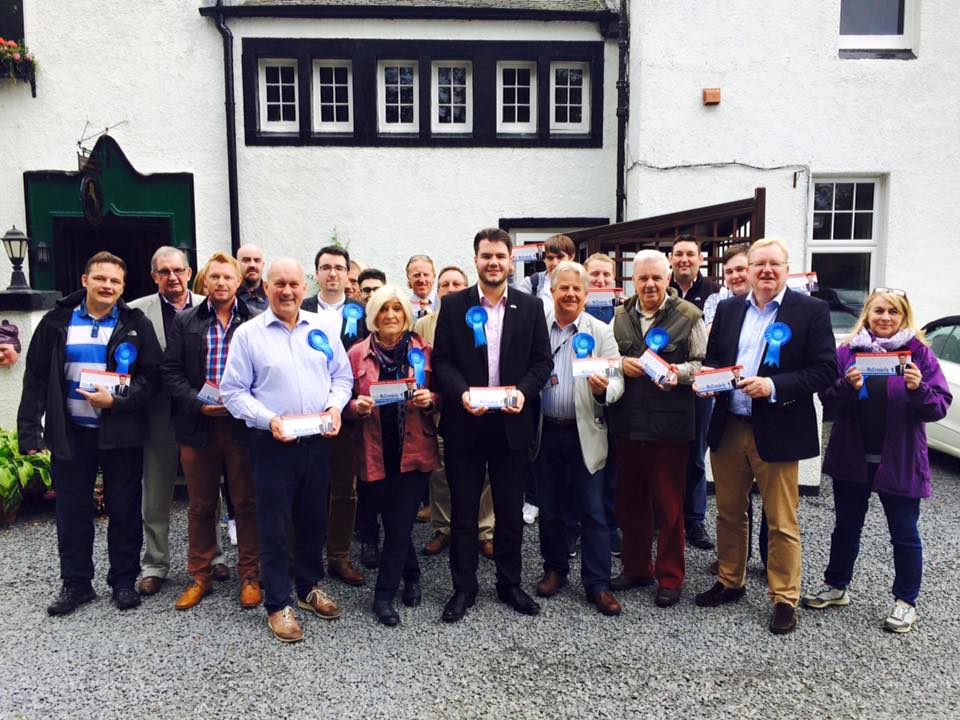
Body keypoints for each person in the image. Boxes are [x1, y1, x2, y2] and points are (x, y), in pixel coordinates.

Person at [694, 237, 836, 635]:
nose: (766, 271)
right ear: (749, 269)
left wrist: (773, 386)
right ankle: (729, 580)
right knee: (728, 512)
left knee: (781, 520)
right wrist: (709, 378)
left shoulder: (810, 310)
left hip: (778, 428)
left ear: (786, 268)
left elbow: (825, 370)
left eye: (775, 264)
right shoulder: (728, 308)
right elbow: (715, 360)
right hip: (730, 426)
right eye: (760, 264)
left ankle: (784, 598)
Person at [17, 251, 162, 614]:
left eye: (115, 281)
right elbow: (35, 379)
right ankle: (76, 583)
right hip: (72, 432)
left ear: (123, 287)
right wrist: (31, 433)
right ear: (85, 281)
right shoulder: (56, 321)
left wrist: (117, 401)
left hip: (120, 432)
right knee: (71, 511)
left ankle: (124, 581)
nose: (108, 286)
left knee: (125, 509)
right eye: (101, 279)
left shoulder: (135, 323)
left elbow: (152, 379)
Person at [802, 289, 951, 633]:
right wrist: (846, 386)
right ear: (867, 315)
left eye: (893, 313)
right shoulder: (849, 352)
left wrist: (918, 388)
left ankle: (905, 602)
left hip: (898, 460)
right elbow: (828, 402)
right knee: (845, 528)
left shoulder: (919, 354)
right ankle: (837, 586)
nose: (885, 318)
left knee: (905, 534)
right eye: (878, 311)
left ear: (903, 317)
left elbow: (939, 406)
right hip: (853, 458)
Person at [220, 258, 353, 643]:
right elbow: (233, 391)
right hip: (272, 444)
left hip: (318, 440)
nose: (288, 291)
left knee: (314, 519)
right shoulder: (249, 335)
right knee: (275, 526)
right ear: (266, 287)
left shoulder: (324, 327)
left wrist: (334, 407)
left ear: (303, 286)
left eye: (294, 284)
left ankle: (309, 586)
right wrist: (267, 419)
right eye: (279, 284)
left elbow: (341, 377)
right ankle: (278, 603)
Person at [432, 227, 553, 622]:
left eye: (500, 256)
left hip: (512, 425)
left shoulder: (529, 307)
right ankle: (464, 588)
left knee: (508, 510)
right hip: (466, 423)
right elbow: (443, 364)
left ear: (510, 259)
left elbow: (541, 363)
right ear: (476, 260)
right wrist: (462, 393)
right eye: (486, 256)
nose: (494, 263)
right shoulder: (453, 307)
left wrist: (523, 391)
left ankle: (509, 583)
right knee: (464, 512)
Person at [160, 252, 262, 611]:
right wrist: (194, 401)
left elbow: (265, 374)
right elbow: (170, 371)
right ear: (204, 282)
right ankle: (200, 574)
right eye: (214, 277)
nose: (221, 283)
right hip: (198, 424)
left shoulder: (255, 321)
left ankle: (250, 573)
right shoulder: (185, 320)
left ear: (238, 282)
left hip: (240, 427)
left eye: (227, 277)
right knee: (201, 506)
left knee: (246, 503)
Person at [609, 250, 705, 608]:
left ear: (668, 279)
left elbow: (702, 364)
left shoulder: (689, 315)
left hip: (670, 426)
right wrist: (621, 362)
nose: (650, 284)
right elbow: (607, 357)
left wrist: (675, 374)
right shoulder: (620, 316)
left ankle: (669, 576)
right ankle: (636, 568)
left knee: (668, 506)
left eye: (656, 278)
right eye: (643, 278)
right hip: (628, 424)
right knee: (629, 503)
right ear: (634, 280)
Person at [130, 248, 227, 597]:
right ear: (154, 275)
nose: (172, 277)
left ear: (189, 272)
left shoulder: (209, 305)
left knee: (207, 491)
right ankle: (155, 563)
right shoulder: (138, 311)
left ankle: (214, 555)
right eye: (164, 271)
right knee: (155, 491)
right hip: (158, 415)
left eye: (178, 270)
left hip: (203, 415)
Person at [345, 284, 441, 626]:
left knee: (400, 523)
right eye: (383, 309)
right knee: (392, 520)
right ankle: (412, 575)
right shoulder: (357, 354)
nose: (390, 315)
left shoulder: (424, 350)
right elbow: (342, 399)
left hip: (413, 448)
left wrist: (432, 399)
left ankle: (383, 595)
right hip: (374, 449)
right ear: (373, 315)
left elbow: (442, 392)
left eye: (397, 309)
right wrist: (355, 405)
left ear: (405, 314)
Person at [535, 262, 625, 616]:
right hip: (546, 431)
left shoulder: (600, 331)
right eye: (563, 288)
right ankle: (555, 568)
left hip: (585, 432)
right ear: (552, 292)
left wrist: (605, 391)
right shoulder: (537, 328)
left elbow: (618, 379)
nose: (570, 294)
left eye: (577, 289)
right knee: (551, 509)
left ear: (586, 295)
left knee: (593, 510)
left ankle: (598, 582)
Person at [414, 266, 496, 559]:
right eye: (445, 284)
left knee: (484, 473)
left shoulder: (482, 318)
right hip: (437, 405)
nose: (450, 288)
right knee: (440, 471)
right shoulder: (424, 324)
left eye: (457, 283)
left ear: (467, 287)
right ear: (438, 291)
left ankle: (484, 531)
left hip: (476, 405)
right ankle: (444, 528)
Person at [302, 245, 368, 587]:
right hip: (307, 415)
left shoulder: (363, 313)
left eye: (338, 268)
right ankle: (304, 556)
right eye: (325, 267)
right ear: (316, 274)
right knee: (308, 490)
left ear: (347, 274)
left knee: (345, 489)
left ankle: (339, 555)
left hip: (347, 413)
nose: (332, 273)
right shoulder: (300, 310)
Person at [668, 234, 721, 554]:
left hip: (701, 386)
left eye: (690, 254)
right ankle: (666, 515)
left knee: (696, 455)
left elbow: (713, 336)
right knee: (667, 454)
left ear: (700, 259)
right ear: (671, 260)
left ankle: (695, 518)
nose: (684, 259)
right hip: (668, 385)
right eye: (678, 255)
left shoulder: (715, 291)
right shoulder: (662, 288)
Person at [582, 252, 621, 556]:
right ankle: (575, 531)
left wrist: (606, 387)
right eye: (595, 275)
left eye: (606, 276)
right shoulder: (575, 316)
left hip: (615, 405)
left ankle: (609, 528)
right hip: (581, 409)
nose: (601, 280)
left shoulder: (622, 315)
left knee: (611, 474)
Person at [519, 234, 575, 310]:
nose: (555, 263)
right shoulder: (532, 283)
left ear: (571, 257)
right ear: (544, 259)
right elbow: (519, 310)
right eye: (550, 258)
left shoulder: (582, 282)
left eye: (560, 257)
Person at [236, 244, 268, 312]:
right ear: (237, 264)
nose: (252, 265)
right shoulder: (229, 297)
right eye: (246, 260)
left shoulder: (273, 297)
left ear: (262, 265)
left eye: (257, 260)